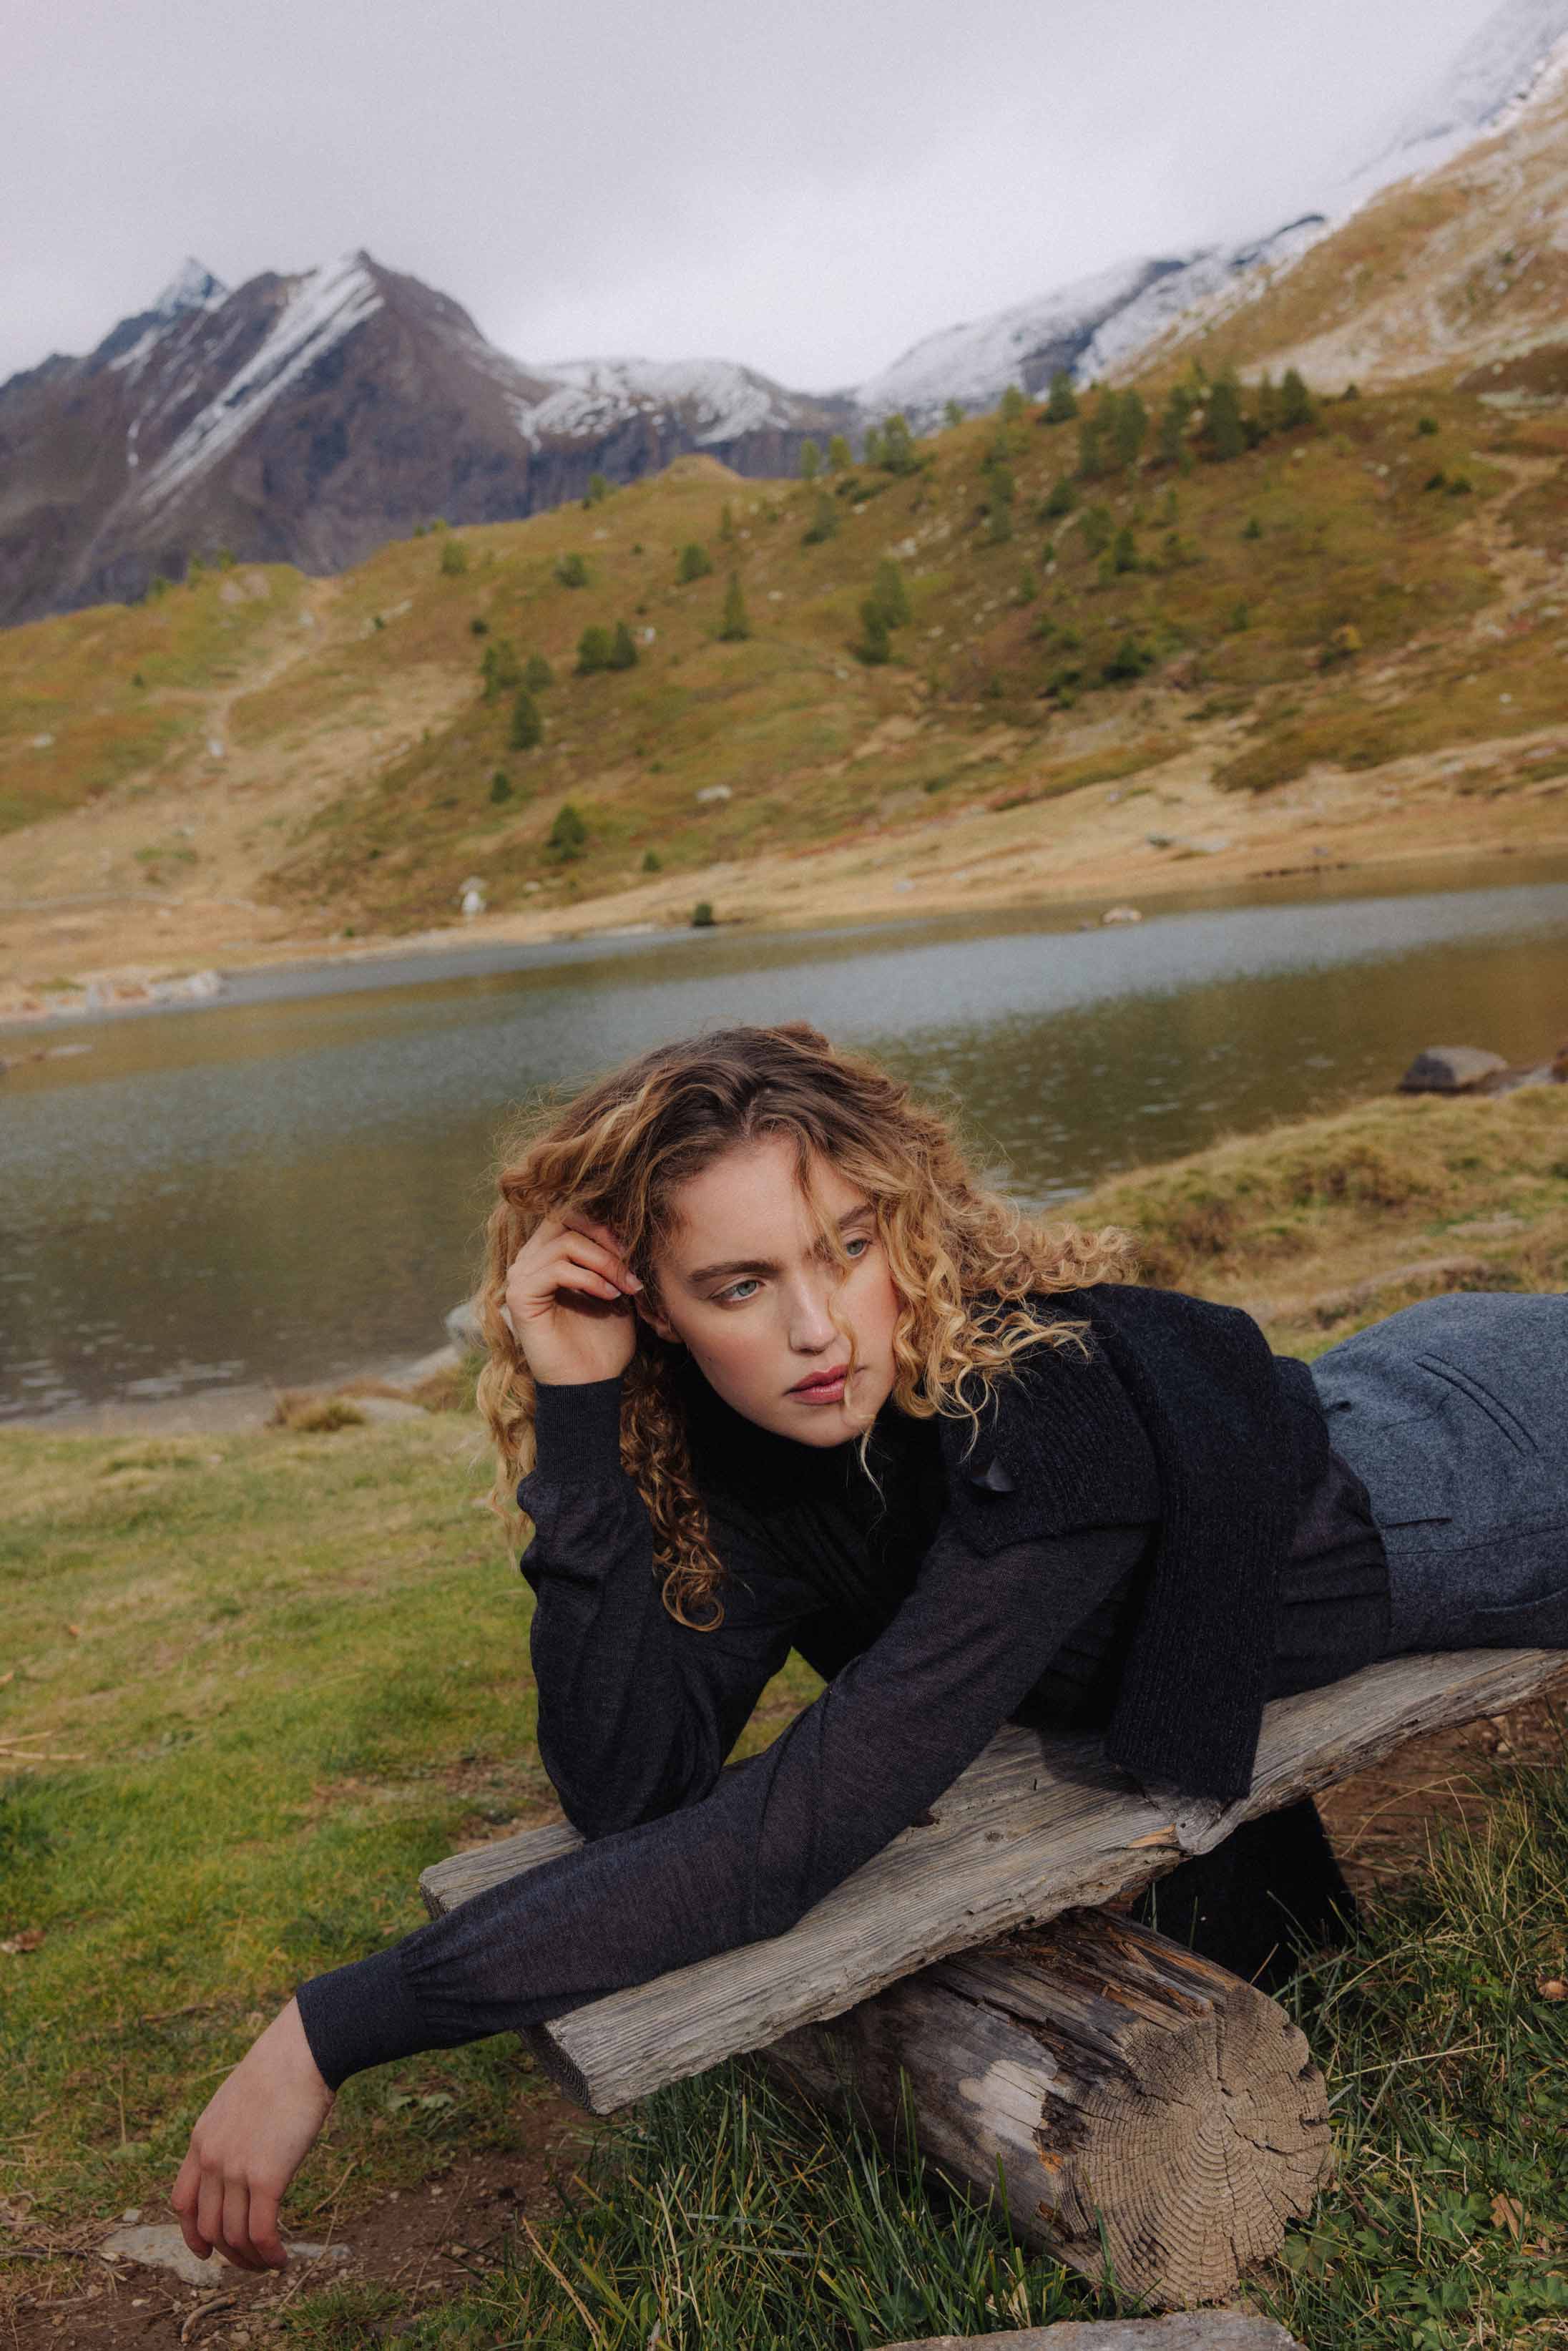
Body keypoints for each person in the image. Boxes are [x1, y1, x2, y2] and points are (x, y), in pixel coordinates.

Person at [170, 1022, 1568, 2272]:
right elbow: (631, 1784)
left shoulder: (1045, 1419)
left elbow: (789, 1835)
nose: (816, 1325)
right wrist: (581, 1421)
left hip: (1503, 1461)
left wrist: (335, 2023)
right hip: (1397, 1390)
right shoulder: (757, 1466)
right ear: (649, 1301)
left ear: (903, 1222)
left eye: (847, 1245)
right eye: (738, 1281)